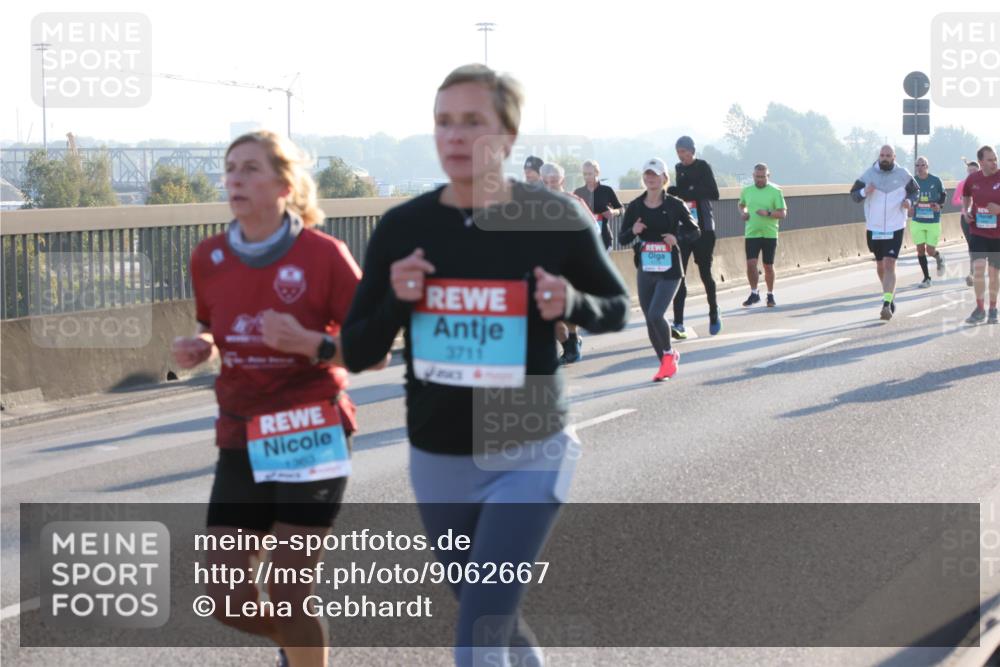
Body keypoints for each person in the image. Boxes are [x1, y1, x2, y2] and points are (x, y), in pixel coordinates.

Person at [341, 64, 629, 667]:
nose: (454, 135)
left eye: (472, 121)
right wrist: (397, 296)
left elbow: (615, 309)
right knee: (490, 615)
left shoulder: (555, 216)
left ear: (507, 136)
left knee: (478, 633)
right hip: (438, 456)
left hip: (530, 447)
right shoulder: (404, 227)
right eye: (444, 122)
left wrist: (569, 302)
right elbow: (359, 350)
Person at [171, 130, 384, 667]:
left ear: (283, 186)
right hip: (241, 429)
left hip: (310, 428)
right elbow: (216, 326)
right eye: (230, 168)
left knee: (289, 593)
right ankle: (301, 646)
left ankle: (304, 654)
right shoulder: (209, 257)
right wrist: (204, 345)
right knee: (223, 595)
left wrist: (312, 343)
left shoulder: (323, 255)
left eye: (249, 169)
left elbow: (374, 350)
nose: (235, 179)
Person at [619, 158, 701, 381]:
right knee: (650, 319)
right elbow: (622, 237)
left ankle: (668, 354)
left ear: (664, 178)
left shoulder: (675, 204)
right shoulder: (636, 205)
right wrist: (634, 230)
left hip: (670, 268)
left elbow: (695, 231)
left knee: (656, 314)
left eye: (655, 174)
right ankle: (664, 363)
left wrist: (678, 237)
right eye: (647, 174)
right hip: (646, 268)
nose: (650, 178)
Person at [850, 145, 918, 320]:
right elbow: (854, 196)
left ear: (894, 156)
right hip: (874, 227)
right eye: (882, 155)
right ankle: (889, 293)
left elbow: (915, 192)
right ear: (879, 156)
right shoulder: (868, 175)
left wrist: (909, 202)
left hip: (895, 226)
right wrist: (866, 190)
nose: (885, 158)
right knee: (880, 265)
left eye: (888, 155)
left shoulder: (903, 175)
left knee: (889, 263)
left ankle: (886, 303)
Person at [667, 135, 722, 337]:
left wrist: (690, 191)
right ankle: (679, 323)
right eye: (678, 153)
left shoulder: (703, 166)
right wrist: (675, 192)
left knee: (705, 273)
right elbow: (680, 194)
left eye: (683, 152)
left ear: (692, 151)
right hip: (684, 230)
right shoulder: (679, 168)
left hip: (704, 229)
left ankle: (714, 312)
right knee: (679, 275)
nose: (681, 156)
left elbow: (714, 193)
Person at [541, 162, 594, 363]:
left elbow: (593, 229)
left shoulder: (574, 201)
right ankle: (570, 343)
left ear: (562, 180)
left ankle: (571, 344)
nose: (550, 185)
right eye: (546, 182)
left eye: (554, 181)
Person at [737, 163, 787, 307]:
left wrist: (769, 213)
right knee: (750, 264)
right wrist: (743, 213)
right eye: (757, 177)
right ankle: (754, 293)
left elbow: (783, 213)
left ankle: (770, 295)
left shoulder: (776, 191)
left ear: (768, 176)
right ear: (753, 176)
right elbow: (741, 204)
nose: (759, 179)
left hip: (770, 234)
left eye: (762, 177)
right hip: (752, 233)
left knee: (768, 266)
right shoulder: (747, 190)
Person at [961, 145, 1000, 325]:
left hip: (997, 234)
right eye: (990, 159)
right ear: (981, 162)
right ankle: (980, 308)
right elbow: (966, 195)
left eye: (995, 159)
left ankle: (993, 308)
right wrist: (966, 210)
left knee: (993, 274)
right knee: (978, 269)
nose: (994, 162)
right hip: (978, 230)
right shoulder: (972, 179)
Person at [910, 157, 947, 288]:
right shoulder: (913, 181)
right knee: (920, 250)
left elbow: (943, 195)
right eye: (917, 165)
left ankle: (938, 257)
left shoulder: (935, 180)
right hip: (918, 220)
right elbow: (907, 196)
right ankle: (927, 278)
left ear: (927, 166)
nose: (920, 168)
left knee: (930, 251)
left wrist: (939, 205)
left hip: (933, 221)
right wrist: (909, 207)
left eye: (923, 165)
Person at [573, 159, 623, 251]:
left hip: (604, 238)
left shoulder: (607, 190)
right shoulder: (578, 192)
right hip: (584, 239)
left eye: (589, 174)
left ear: (597, 173)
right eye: (585, 174)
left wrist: (613, 212)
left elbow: (621, 209)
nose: (587, 177)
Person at [955, 160, 981, 286]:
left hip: (983, 218)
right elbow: (954, 200)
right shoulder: (963, 184)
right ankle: (972, 274)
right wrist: (964, 201)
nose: (971, 173)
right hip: (966, 218)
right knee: (972, 247)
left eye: (974, 171)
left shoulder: (985, 183)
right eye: (969, 171)